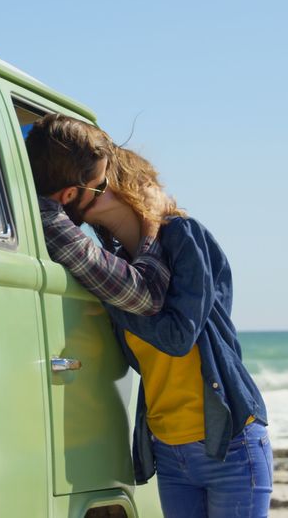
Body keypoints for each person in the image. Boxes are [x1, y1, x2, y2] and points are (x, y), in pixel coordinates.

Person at [85, 147, 272, 518]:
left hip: (229, 445)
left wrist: (110, 299)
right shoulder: (120, 267)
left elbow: (178, 337)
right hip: (169, 451)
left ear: (128, 185)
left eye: (96, 181)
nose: (83, 189)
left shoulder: (185, 235)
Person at [25, 113, 171, 315]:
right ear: (69, 194)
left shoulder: (19, 201)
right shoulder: (50, 221)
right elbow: (147, 297)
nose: (105, 189)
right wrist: (151, 223)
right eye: (100, 185)